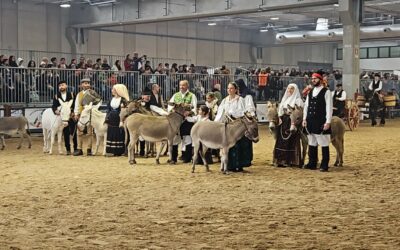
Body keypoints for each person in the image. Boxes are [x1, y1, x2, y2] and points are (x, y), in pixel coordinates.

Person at [302, 72, 333, 172]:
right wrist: (304, 119)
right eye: (312, 79)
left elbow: (329, 107)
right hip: (310, 121)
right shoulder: (310, 92)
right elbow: (306, 107)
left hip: (321, 121)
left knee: (323, 143)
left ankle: (324, 164)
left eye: (315, 78)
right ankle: (312, 163)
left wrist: (328, 122)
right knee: (312, 142)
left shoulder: (326, 91)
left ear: (320, 79)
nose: (313, 80)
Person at [215, 82, 247, 172]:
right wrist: (217, 122)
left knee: (237, 144)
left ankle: (238, 164)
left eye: (231, 88)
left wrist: (232, 112)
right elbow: (220, 112)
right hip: (227, 125)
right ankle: (228, 165)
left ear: (236, 90)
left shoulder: (240, 99)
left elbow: (242, 112)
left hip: (236, 124)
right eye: (228, 88)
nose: (229, 90)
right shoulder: (225, 100)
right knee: (226, 145)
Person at [273, 83, 304, 167]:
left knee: (291, 140)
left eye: (292, 89)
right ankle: (281, 160)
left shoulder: (298, 100)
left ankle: (290, 160)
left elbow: (299, 113)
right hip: (283, 121)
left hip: (292, 122)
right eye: (289, 88)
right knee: (281, 140)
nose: (290, 90)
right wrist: (280, 117)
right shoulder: (285, 99)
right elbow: (281, 110)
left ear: (295, 90)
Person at [168, 80, 197, 163]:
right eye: (180, 85)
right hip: (176, 121)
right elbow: (169, 106)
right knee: (174, 138)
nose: (181, 87)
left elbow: (194, 108)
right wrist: (172, 110)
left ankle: (187, 158)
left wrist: (189, 112)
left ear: (187, 86)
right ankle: (173, 158)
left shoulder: (192, 95)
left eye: (183, 85)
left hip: (187, 120)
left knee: (187, 138)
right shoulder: (175, 95)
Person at [51, 80, 77, 155]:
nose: (61, 87)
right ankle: (68, 149)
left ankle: (75, 149)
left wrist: (73, 113)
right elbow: (54, 106)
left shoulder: (72, 95)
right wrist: (55, 110)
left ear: (66, 86)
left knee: (74, 133)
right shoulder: (56, 96)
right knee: (66, 133)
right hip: (62, 118)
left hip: (71, 117)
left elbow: (75, 105)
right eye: (59, 86)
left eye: (62, 85)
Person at [105, 84, 129, 157]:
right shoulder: (110, 99)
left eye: (113, 89)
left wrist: (121, 120)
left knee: (119, 133)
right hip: (111, 118)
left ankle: (119, 151)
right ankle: (110, 150)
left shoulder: (123, 100)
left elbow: (123, 111)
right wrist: (107, 117)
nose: (112, 90)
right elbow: (108, 109)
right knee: (111, 132)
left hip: (119, 119)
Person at [73, 78, 94, 156]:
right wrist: (76, 113)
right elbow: (77, 105)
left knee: (90, 133)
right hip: (81, 116)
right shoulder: (79, 94)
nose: (87, 85)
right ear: (81, 85)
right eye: (85, 83)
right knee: (79, 133)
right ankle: (79, 149)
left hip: (89, 116)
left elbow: (96, 104)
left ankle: (89, 149)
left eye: (88, 83)